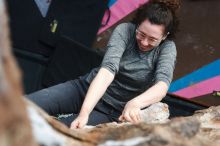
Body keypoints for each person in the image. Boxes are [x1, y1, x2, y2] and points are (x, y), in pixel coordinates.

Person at [27, 0, 180, 129]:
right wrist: (84, 112)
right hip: (85, 89)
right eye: (141, 34)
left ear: (164, 36)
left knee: (56, 130)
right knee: (25, 105)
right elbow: (107, 72)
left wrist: (135, 103)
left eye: (152, 39)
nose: (145, 42)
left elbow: (162, 86)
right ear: (137, 25)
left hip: (111, 111)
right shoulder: (125, 31)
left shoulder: (167, 48)